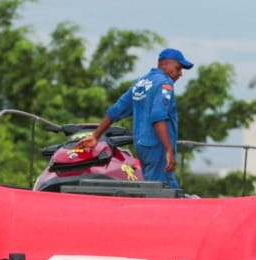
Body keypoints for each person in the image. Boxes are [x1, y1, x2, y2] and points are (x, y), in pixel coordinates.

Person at [79, 47, 194, 189]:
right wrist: (168, 150)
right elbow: (158, 117)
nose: (180, 73)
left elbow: (115, 110)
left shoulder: (140, 83)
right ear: (165, 64)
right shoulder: (165, 83)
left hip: (142, 146)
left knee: (151, 186)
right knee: (164, 191)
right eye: (178, 68)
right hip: (158, 146)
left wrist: (96, 135)